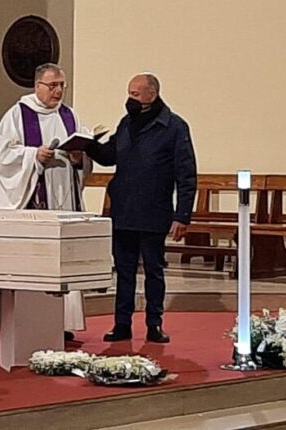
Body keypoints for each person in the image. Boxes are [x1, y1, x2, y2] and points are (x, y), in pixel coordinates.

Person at [85, 73, 197, 343]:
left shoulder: (173, 126)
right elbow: (110, 155)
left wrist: (182, 215)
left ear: (152, 94)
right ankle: (122, 324)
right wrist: (88, 146)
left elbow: (186, 173)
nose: (130, 99)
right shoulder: (127, 123)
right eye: (129, 93)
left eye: (135, 94)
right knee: (123, 271)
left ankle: (154, 324)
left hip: (154, 210)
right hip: (124, 210)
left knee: (153, 271)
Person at [0, 63, 92, 340]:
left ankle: (63, 322)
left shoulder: (69, 115)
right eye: (53, 85)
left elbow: (83, 152)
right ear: (37, 86)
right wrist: (33, 155)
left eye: (62, 85)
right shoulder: (17, 114)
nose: (58, 91)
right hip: (33, 198)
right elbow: (2, 157)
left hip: (64, 198)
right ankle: (24, 318)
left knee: (62, 259)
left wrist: (79, 158)